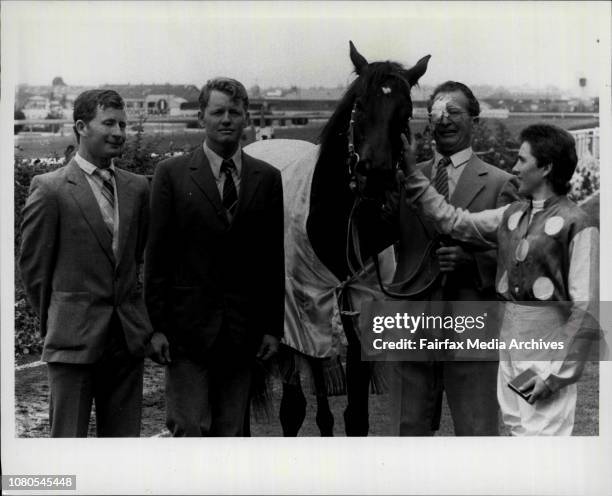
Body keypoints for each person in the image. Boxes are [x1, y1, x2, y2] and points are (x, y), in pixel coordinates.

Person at [398, 123, 599, 435]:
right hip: (510, 347)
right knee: (517, 430)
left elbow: (586, 310)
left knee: (541, 442)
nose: (514, 168)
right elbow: (451, 220)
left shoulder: (578, 224)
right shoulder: (512, 215)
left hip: (545, 352)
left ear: (545, 168)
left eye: (522, 160)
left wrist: (555, 376)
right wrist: (412, 172)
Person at [145, 77, 284, 436]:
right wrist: (156, 327)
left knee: (230, 434)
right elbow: (157, 256)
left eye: (234, 112)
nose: (226, 120)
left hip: (242, 334)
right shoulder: (171, 174)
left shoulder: (267, 179)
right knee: (188, 429)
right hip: (185, 333)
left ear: (246, 119)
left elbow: (272, 260)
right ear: (200, 117)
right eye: (218, 112)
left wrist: (272, 327)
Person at [19, 89, 159, 437]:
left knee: (122, 450)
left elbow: (137, 258)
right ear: (81, 126)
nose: (119, 132)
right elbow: (34, 270)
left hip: (126, 342)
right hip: (72, 343)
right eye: (108, 123)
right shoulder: (50, 189)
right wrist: (59, 320)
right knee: (68, 446)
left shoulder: (137, 188)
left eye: (123, 124)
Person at [385, 81, 519, 436]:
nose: (444, 121)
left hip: (472, 327)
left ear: (474, 119)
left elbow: (516, 259)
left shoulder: (501, 183)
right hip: (411, 327)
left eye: (454, 112)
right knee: (407, 432)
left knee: (476, 435)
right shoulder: (404, 180)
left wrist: (473, 262)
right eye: (437, 114)